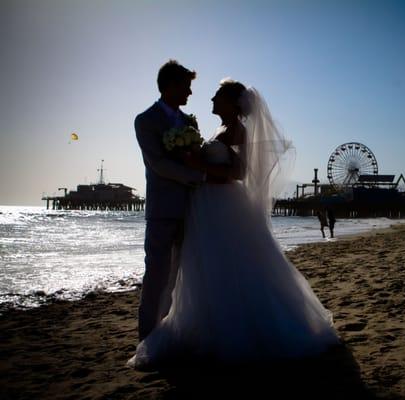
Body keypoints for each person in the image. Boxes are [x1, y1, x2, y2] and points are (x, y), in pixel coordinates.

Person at [128, 78, 339, 370]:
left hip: (223, 205)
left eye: (217, 96)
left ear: (231, 102)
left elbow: (239, 172)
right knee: (209, 267)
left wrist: (196, 165)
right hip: (206, 205)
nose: (211, 99)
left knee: (228, 265)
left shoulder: (237, 131)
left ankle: (230, 330)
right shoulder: (220, 129)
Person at [134, 60, 206, 341]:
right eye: (186, 86)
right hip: (162, 209)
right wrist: (196, 176)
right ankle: (147, 336)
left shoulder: (189, 122)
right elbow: (158, 163)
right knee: (156, 275)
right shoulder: (146, 120)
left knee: (181, 276)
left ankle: (173, 332)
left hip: (192, 209)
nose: (190, 93)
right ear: (170, 86)